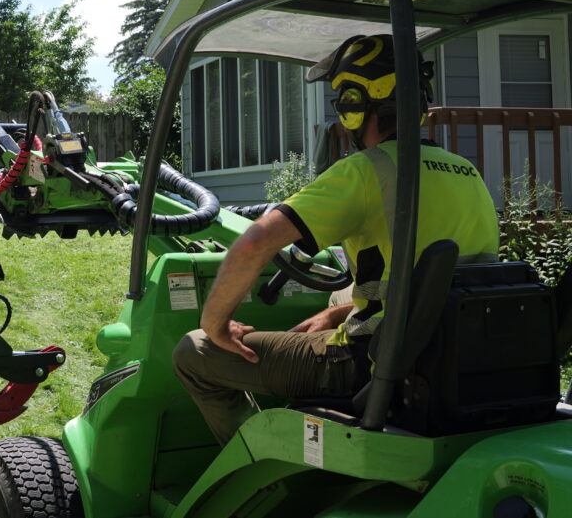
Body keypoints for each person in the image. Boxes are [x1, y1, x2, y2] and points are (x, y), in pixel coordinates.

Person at [172, 34, 499, 446]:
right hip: (451, 352)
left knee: (194, 352)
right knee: (336, 299)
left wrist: (215, 324)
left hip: (371, 363)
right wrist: (340, 314)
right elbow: (431, 290)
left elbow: (255, 243)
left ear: (355, 107)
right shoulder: (468, 173)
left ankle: (258, 463)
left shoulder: (366, 170)